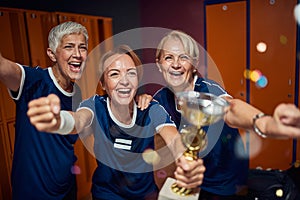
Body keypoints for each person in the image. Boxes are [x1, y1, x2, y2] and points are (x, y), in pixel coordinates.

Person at [27, 45, 206, 200]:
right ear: (103, 84)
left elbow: (173, 139)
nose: (124, 81)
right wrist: (59, 120)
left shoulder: (151, 109)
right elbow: (79, 121)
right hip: (108, 193)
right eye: (114, 74)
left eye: (131, 73)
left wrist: (186, 161)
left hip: (146, 194)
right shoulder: (95, 106)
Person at [153, 30, 249, 199]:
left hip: (224, 182)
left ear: (194, 63)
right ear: (159, 64)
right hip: (191, 179)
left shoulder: (208, 89)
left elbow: (231, 107)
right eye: (168, 58)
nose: (176, 64)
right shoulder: (160, 98)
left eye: (184, 57)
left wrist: (259, 121)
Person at [0, 21, 90, 199]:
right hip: (33, 191)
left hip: (66, 187)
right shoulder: (33, 80)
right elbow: (3, 67)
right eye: (69, 47)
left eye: (82, 47)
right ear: (52, 54)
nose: (77, 54)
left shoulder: (76, 92)